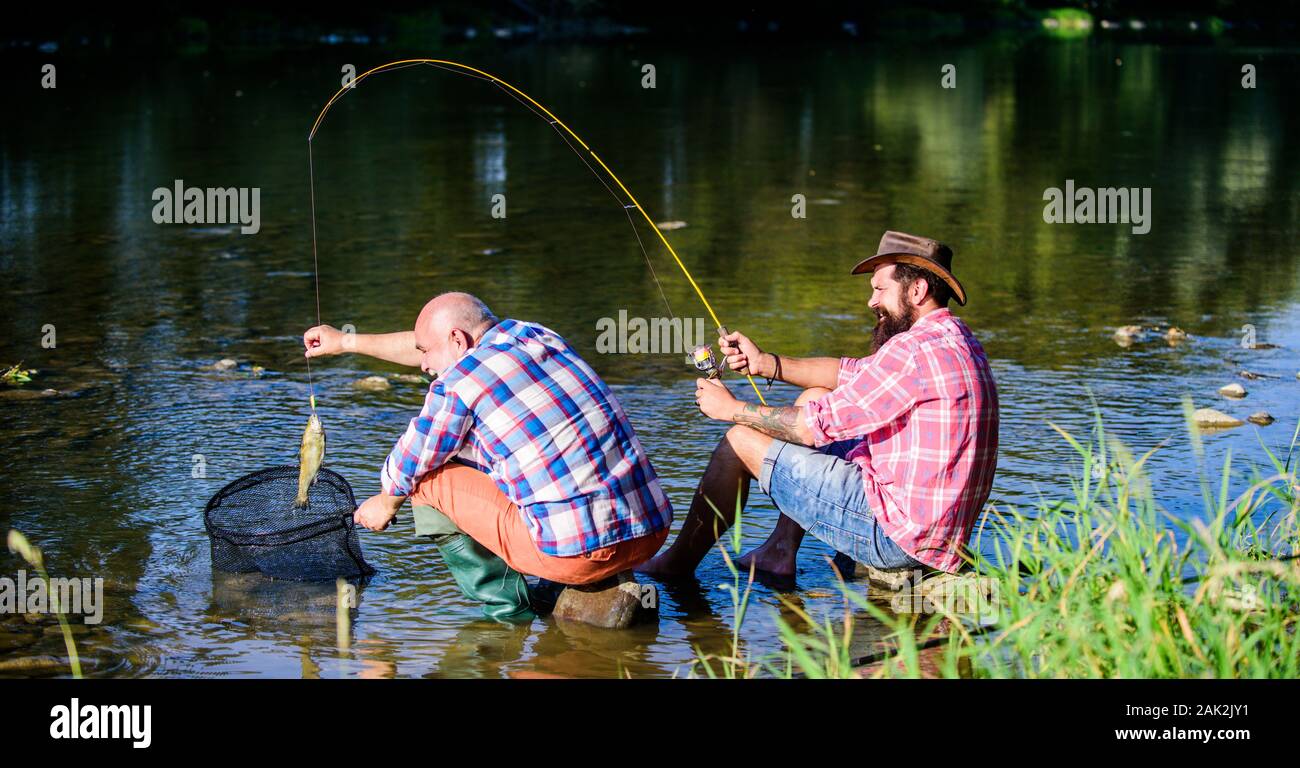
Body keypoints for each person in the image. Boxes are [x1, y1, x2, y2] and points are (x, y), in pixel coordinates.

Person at [638, 231, 998, 581]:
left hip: (900, 538)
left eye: (880, 289)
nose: (871, 302)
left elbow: (809, 428)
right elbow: (849, 372)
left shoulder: (912, 351)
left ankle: (676, 565)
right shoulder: (956, 339)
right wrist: (765, 362)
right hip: (941, 535)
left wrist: (730, 408)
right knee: (816, 395)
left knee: (739, 443)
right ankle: (780, 551)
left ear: (916, 290)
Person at [304, 292, 672, 621]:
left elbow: (408, 463)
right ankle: (590, 584)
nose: (422, 366)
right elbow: (430, 346)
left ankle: (509, 613)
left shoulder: (457, 386)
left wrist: (385, 502)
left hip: (578, 556)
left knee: (424, 481)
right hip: (651, 531)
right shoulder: (534, 335)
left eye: (425, 354)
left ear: (457, 340)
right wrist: (344, 341)